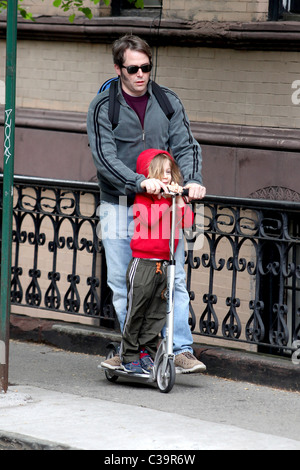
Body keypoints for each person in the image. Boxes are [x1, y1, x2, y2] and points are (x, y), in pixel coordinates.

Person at [87, 34, 206, 374]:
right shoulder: (103, 105)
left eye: (146, 68)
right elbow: (104, 158)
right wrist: (139, 181)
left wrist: (193, 180)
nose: (141, 75)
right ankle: (135, 352)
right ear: (118, 68)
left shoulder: (167, 101)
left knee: (174, 280)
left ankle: (180, 350)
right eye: (133, 69)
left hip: (161, 210)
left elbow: (187, 145)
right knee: (127, 283)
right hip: (120, 205)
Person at [120, 149, 194, 374]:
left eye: (169, 172)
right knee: (137, 310)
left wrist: (179, 199)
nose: (166, 177)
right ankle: (129, 354)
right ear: (148, 175)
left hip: (164, 264)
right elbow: (149, 220)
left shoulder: (173, 200)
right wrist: (164, 200)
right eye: (160, 173)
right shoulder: (143, 198)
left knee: (156, 313)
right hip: (143, 263)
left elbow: (187, 222)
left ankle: (147, 352)